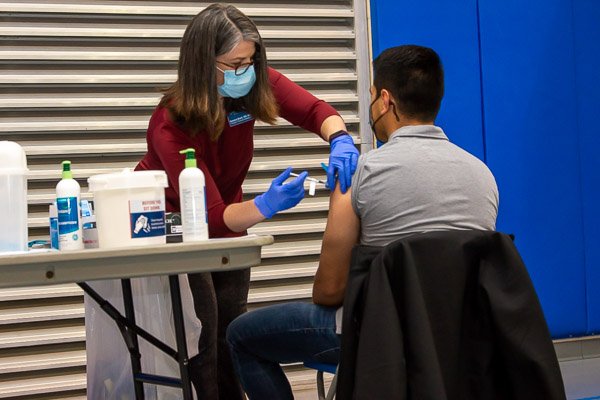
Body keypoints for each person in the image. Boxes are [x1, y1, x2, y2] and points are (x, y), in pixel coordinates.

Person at [226, 44, 500, 399]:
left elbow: (328, 291)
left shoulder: (359, 174)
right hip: (459, 337)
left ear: (385, 100)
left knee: (241, 336)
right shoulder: (484, 176)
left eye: (371, 95)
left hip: (378, 337)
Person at [134, 4, 359, 399]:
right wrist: (268, 205)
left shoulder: (248, 85)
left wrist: (340, 138)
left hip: (230, 221)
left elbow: (313, 110)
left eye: (251, 61)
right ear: (204, 63)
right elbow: (212, 217)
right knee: (201, 336)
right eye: (236, 63)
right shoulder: (169, 124)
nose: (246, 71)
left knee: (232, 331)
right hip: (176, 227)